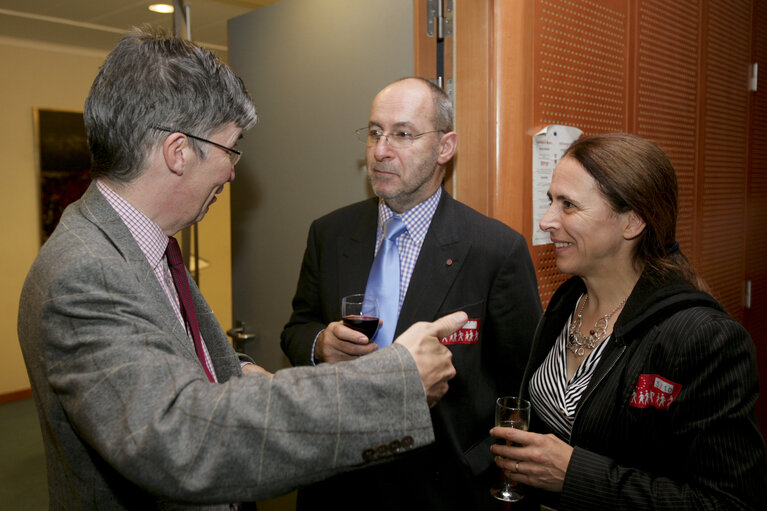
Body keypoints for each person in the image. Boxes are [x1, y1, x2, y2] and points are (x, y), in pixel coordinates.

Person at [16, 27, 467, 511]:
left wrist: (243, 373)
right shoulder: (86, 272)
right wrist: (394, 382)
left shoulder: (139, 244)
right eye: (230, 149)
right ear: (178, 152)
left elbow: (175, 365)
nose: (233, 172)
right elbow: (183, 439)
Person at [280, 76, 542, 510]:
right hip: (336, 479)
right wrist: (319, 343)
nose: (381, 150)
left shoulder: (495, 248)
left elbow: (520, 382)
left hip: (442, 485)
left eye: (402, 134)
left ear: (444, 147)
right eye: (374, 132)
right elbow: (296, 328)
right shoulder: (329, 233)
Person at [490, 133, 767, 510]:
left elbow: (727, 502)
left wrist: (575, 476)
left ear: (633, 221)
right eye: (550, 201)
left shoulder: (704, 339)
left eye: (568, 205)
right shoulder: (567, 302)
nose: (546, 221)